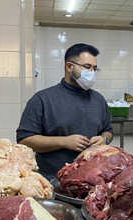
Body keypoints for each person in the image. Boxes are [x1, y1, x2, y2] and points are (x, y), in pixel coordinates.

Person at [16, 43, 113, 180]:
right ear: (69, 67)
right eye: (86, 67)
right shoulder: (42, 99)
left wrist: (104, 139)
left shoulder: (98, 100)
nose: (91, 72)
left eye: (94, 69)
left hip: (92, 178)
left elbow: (108, 130)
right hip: (52, 179)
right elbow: (24, 140)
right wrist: (64, 141)